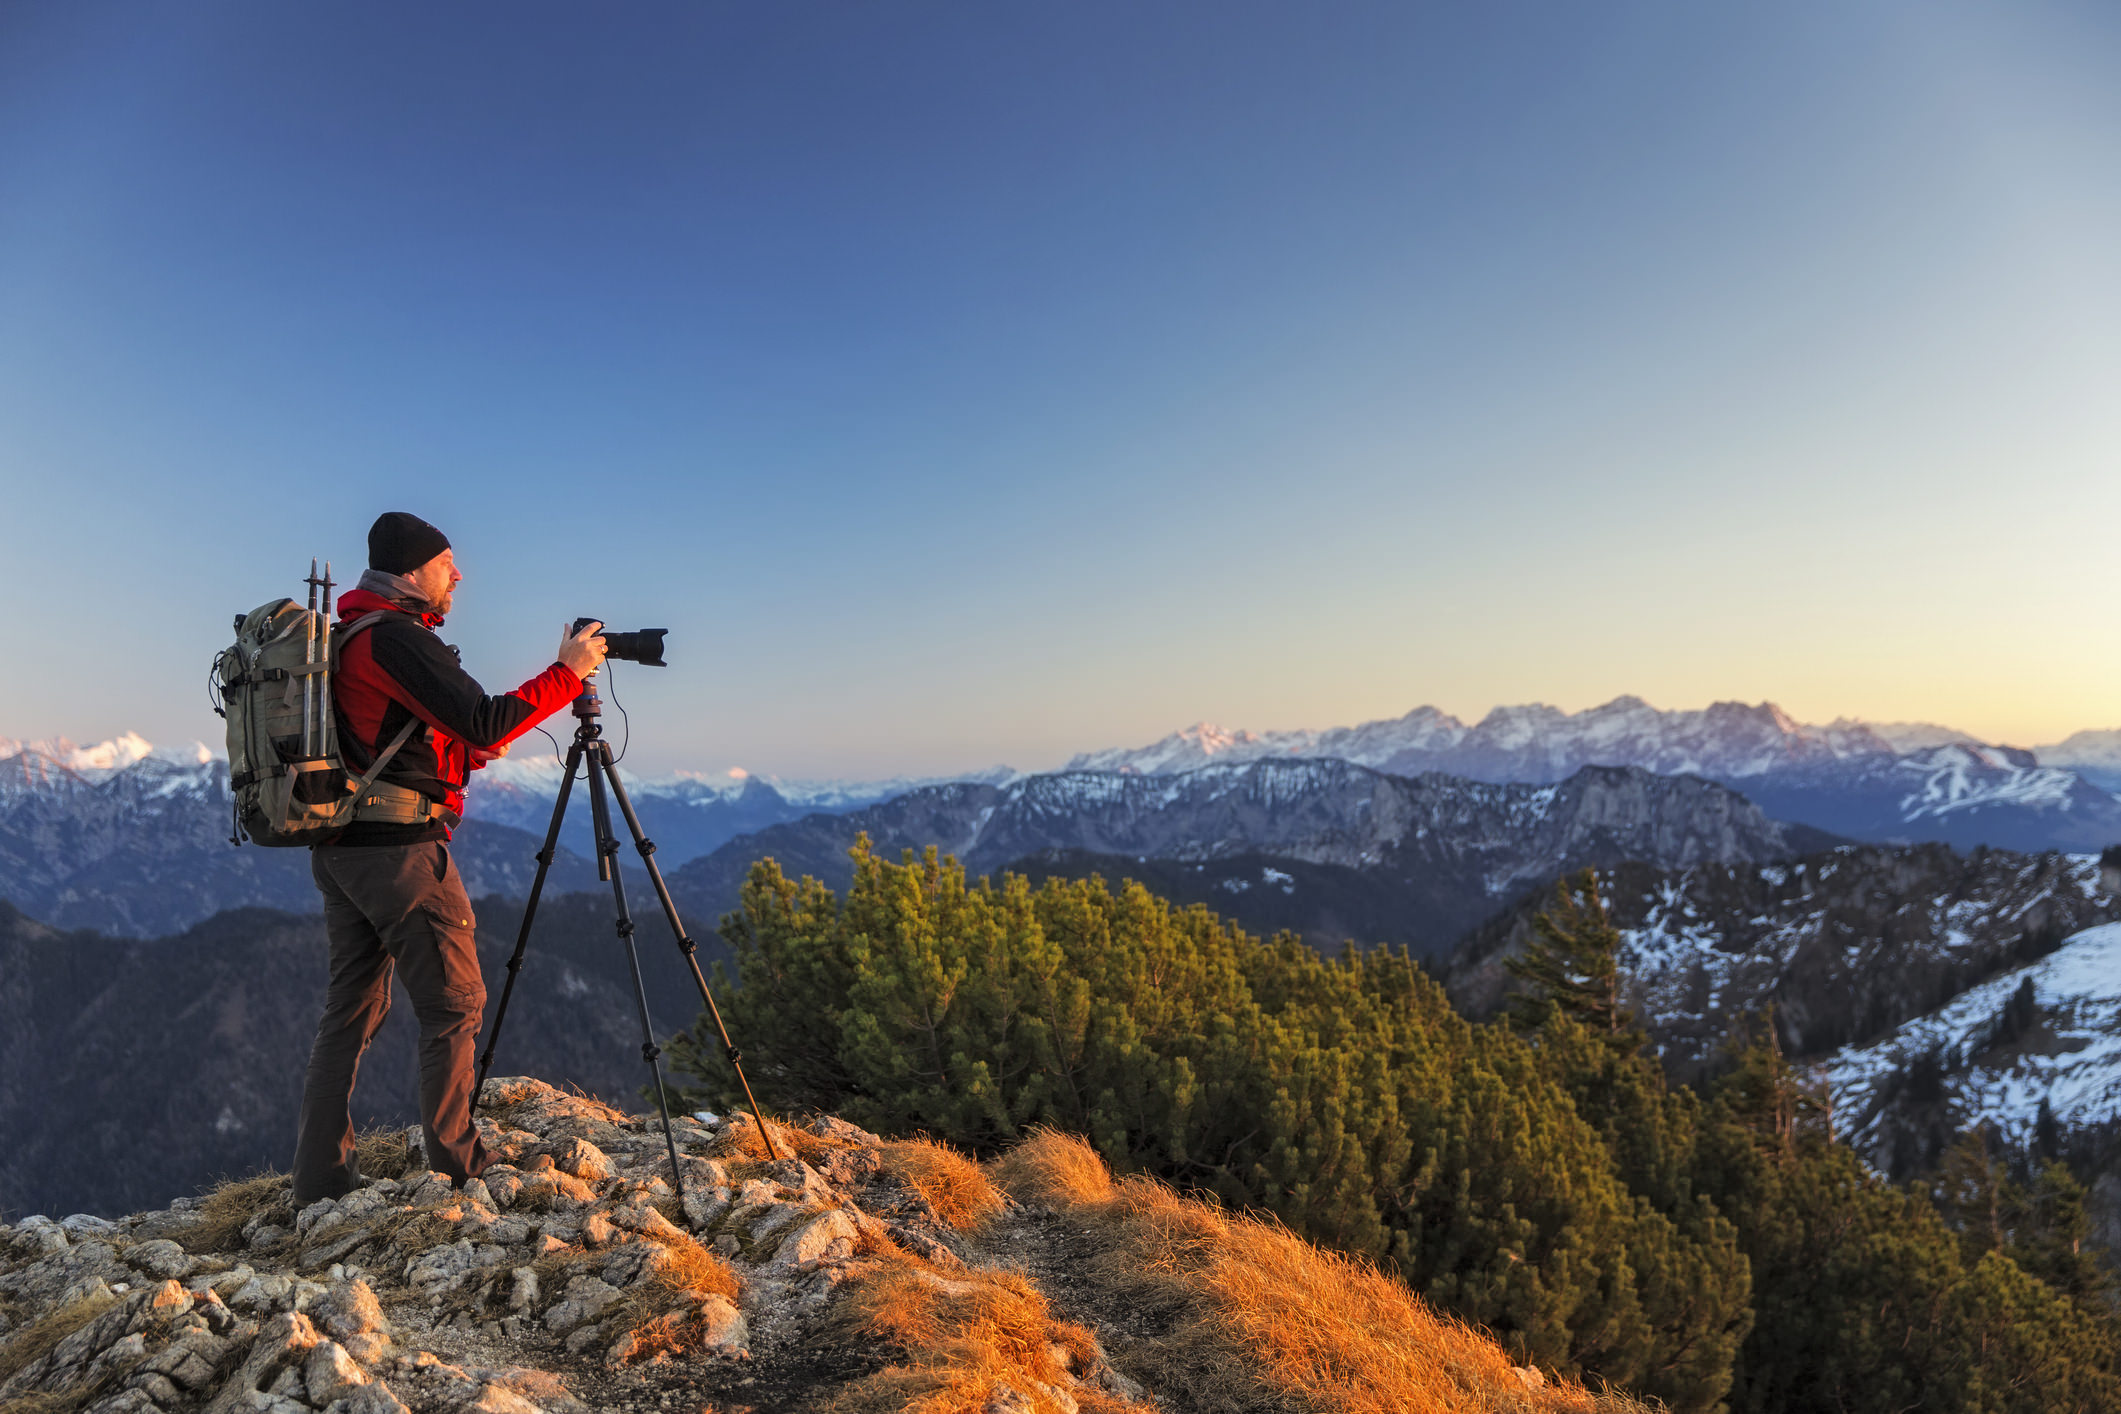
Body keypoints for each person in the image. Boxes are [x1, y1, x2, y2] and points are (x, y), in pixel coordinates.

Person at [291, 511, 608, 1205]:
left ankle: (318, 1182)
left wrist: (455, 754)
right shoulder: (396, 638)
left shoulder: (353, 635)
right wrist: (568, 672)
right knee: (454, 1005)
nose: (457, 575)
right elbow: (486, 718)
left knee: (348, 1013)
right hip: (401, 855)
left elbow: (393, 737)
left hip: (344, 848)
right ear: (410, 571)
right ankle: (463, 1172)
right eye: (446, 564)